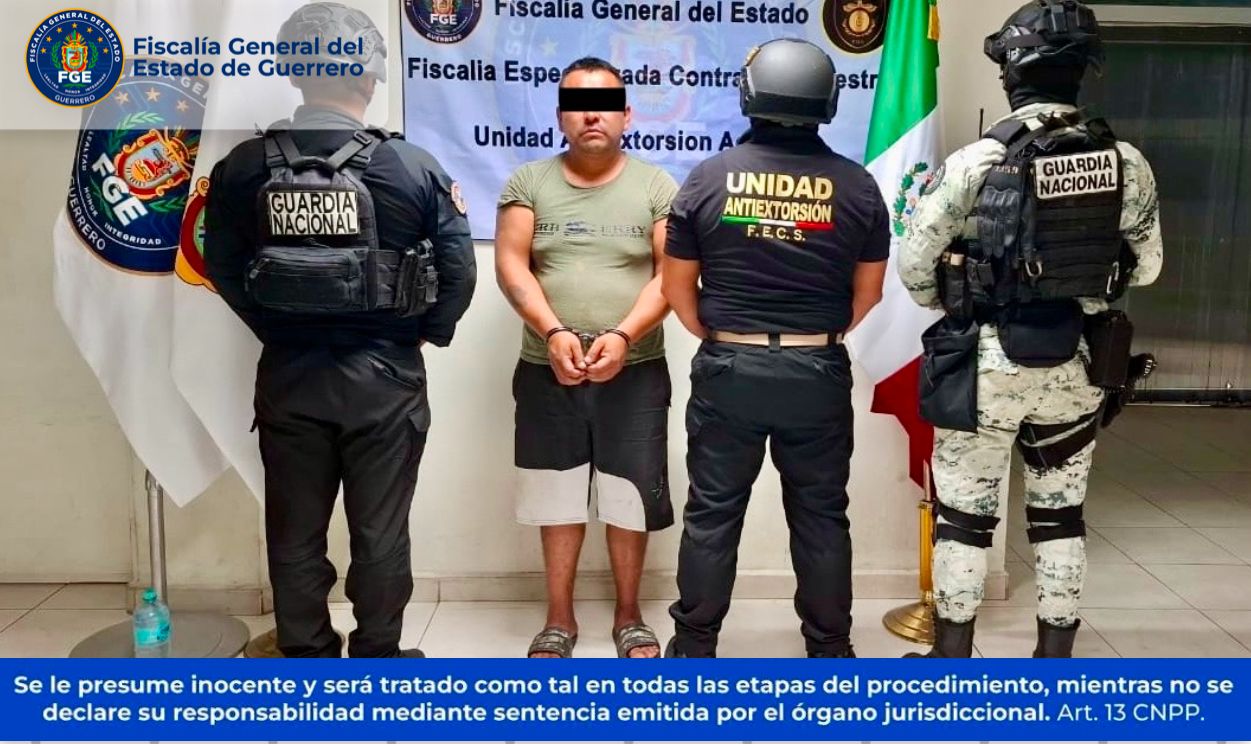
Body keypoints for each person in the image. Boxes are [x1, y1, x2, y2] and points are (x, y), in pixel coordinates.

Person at [204, 2, 476, 658]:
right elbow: (459, 272)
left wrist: (274, 327)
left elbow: (223, 268)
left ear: (294, 72)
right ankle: (378, 658)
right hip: (384, 377)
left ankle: (306, 656)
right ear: (370, 75)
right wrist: (419, 335)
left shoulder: (243, 166)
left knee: (293, 530)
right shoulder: (410, 166)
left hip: (288, 375)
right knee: (380, 531)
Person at [900, 0, 1163, 658]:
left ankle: (950, 661)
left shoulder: (975, 161)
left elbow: (913, 266)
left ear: (1010, 74)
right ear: (1082, 72)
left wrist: (956, 299)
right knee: (1059, 517)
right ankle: (1052, 663)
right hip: (1078, 364)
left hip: (985, 366)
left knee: (964, 521)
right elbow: (1149, 266)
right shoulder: (1127, 163)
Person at [662, 39, 888, 659]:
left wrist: (723, 336)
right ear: (827, 102)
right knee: (821, 515)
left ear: (750, 94)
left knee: (713, 512)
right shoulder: (859, 187)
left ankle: (693, 650)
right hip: (816, 370)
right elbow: (867, 295)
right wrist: (815, 335)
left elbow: (677, 289)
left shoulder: (709, 177)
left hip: (729, 369)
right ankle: (831, 653)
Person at [495, 57, 678, 659]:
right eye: (577, 105)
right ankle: (559, 619)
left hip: (637, 370)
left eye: (604, 105)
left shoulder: (656, 186)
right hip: (546, 368)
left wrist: (623, 336)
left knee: (629, 496)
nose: (591, 115)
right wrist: (551, 331)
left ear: (627, 115)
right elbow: (511, 265)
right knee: (557, 494)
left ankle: (629, 616)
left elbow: (670, 276)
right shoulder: (529, 181)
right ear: (560, 117)